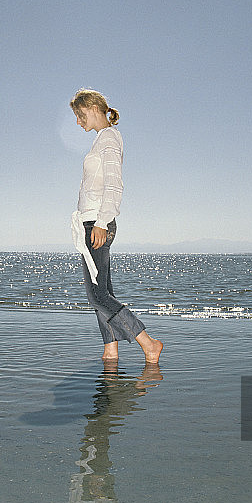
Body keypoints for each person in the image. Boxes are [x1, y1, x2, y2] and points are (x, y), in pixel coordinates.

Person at [70, 88, 163, 363]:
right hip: (92, 222)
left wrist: (100, 222)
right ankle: (110, 348)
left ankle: (147, 342)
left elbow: (114, 186)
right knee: (104, 293)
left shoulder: (109, 139)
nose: (78, 122)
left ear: (92, 107)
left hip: (97, 223)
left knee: (97, 294)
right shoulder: (103, 139)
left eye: (79, 115)